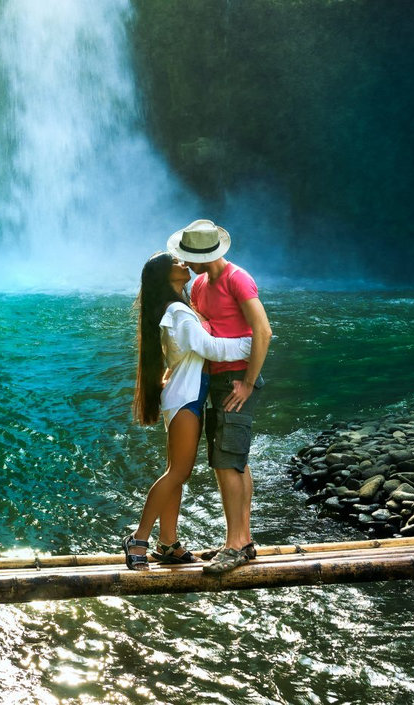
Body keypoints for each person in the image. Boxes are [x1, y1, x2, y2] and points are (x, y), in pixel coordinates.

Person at [125, 252, 254, 570]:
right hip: (186, 400)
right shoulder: (179, 312)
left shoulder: (178, 309)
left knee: (177, 473)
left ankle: (167, 542)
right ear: (166, 275)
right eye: (177, 263)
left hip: (186, 397)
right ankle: (138, 538)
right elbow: (211, 348)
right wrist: (253, 344)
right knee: (177, 473)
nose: (185, 264)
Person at [168, 218, 271, 575]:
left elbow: (264, 330)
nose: (184, 263)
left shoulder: (237, 279)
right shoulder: (199, 286)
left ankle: (236, 544)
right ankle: (243, 539)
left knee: (225, 461)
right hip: (217, 378)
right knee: (235, 458)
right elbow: (204, 327)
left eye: (186, 257)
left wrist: (247, 382)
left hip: (236, 380)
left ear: (202, 255)